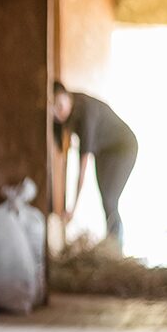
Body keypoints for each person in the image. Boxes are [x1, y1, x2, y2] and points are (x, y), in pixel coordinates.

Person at [53, 81, 139, 248]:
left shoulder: (86, 112)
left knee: (110, 199)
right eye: (53, 110)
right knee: (105, 197)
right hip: (105, 151)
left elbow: (83, 166)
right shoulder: (70, 107)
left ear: (66, 95)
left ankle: (116, 248)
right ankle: (111, 242)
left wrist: (73, 209)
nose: (58, 113)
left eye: (59, 105)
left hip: (123, 148)